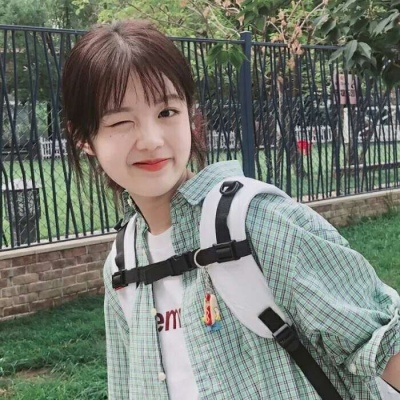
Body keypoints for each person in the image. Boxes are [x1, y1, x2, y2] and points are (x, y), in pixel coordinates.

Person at [61, 19, 400, 400]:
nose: (151, 140)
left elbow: (383, 345)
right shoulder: (122, 267)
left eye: (167, 112)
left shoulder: (257, 221)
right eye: (122, 121)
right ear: (83, 138)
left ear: (190, 115)